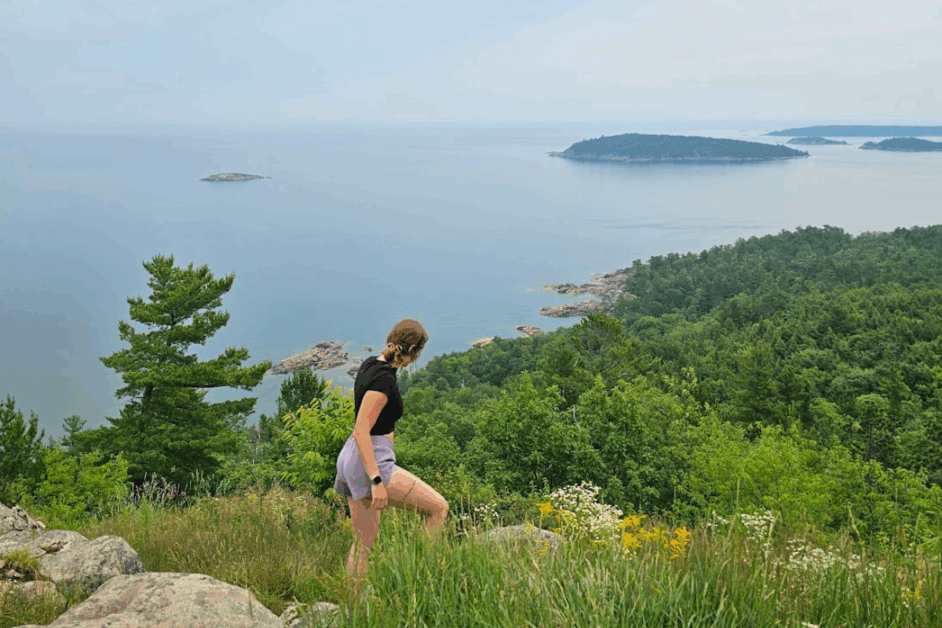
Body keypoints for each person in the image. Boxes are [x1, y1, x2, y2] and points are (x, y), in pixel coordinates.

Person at [333, 318, 449, 596]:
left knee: (362, 543)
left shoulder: (372, 364)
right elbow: (362, 430)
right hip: (370, 460)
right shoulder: (384, 381)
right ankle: (417, 580)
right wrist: (376, 481)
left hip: (351, 456)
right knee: (438, 509)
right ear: (413, 351)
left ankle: (353, 608)